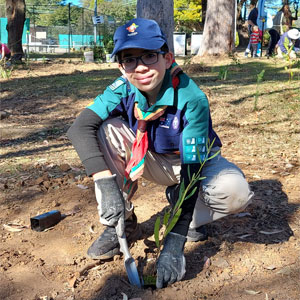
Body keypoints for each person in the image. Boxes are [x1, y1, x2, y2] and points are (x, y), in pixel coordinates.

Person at [67, 18, 253, 289]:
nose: (140, 66)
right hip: (153, 158)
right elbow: (79, 128)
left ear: (167, 58)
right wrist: (106, 185)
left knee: (234, 192)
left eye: (149, 56)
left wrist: (174, 244)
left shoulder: (192, 98)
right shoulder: (122, 88)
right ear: (121, 66)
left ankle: (183, 216)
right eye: (129, 59)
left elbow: (192, 170)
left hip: (193, 162)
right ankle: (122, 223)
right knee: (104, 129)